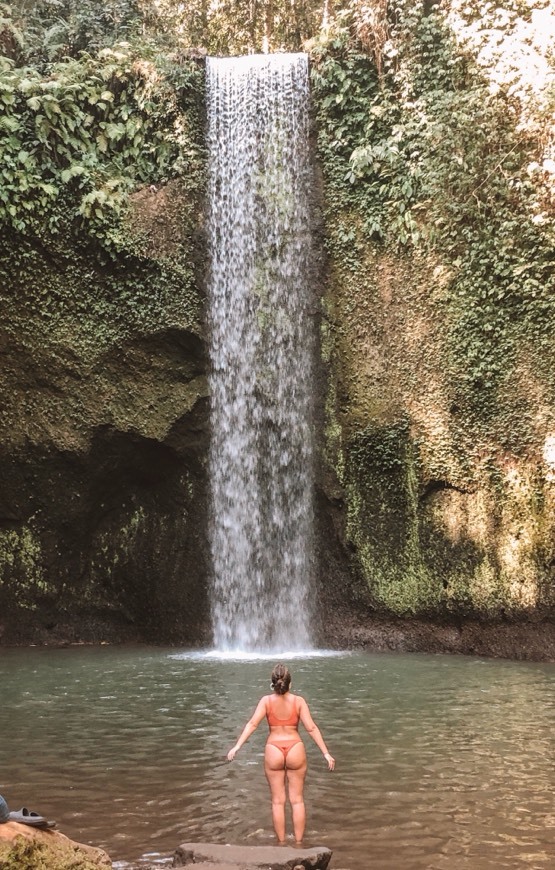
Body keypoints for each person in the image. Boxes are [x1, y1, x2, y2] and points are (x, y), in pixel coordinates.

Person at [227, 663, 335, 845]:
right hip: (295, 748)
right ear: (289, 684)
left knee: (278, 801)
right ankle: (299, 844)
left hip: (274, 748)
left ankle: (281, 844)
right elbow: (311, 728)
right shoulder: (298, 701)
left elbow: (252, 724)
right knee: (297, 800)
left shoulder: (266, 701)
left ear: (273, 683)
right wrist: (326, 753)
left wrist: (237, 746)